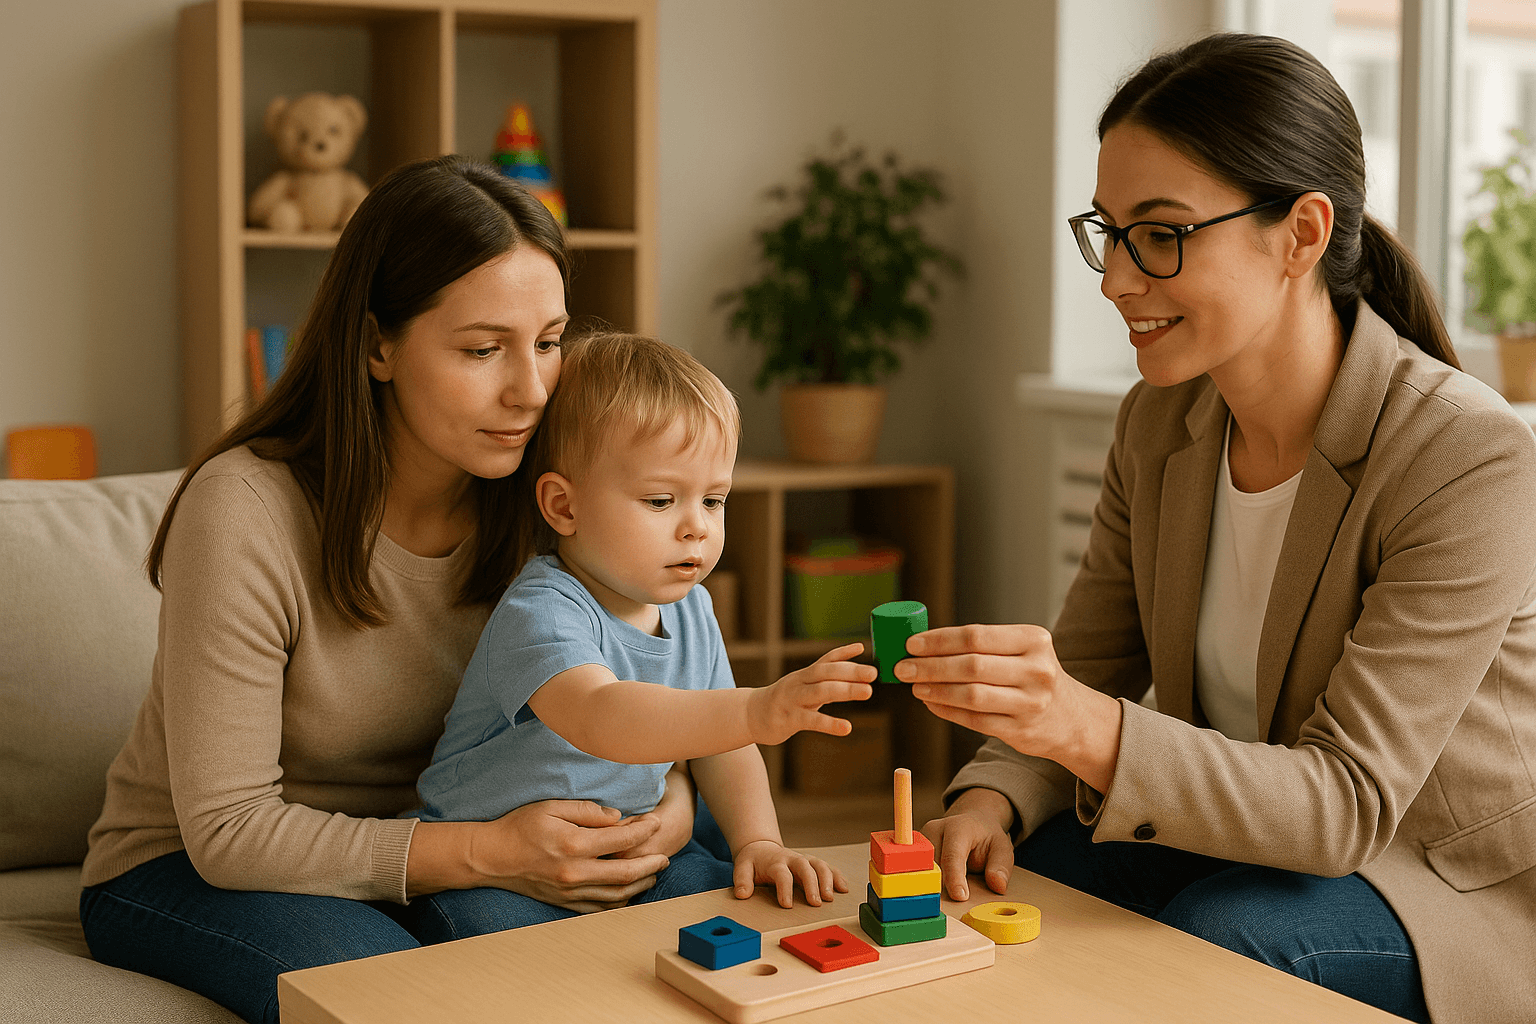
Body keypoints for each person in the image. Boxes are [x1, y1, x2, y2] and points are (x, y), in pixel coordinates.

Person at [912, 33, 1536, 1024]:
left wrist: (1080, 726)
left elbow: (1347, 804)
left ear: (1300, 233)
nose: (1117, 279)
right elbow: (1087, 665)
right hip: (1245, 831)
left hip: (1426, 881)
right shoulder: (1160, 423)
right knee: (1009, 870)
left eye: (1159, 234)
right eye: (1108, 231)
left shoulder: (1466, 453)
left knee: (1215, 943)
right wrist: (988, 795)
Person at [77, 156, 714, 1024]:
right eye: (483, 349)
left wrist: (665, 811)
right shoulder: (246, 511)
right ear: (378, 343)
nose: (530, 390)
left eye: (551, 341)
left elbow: (656, 692)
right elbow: (228, 832)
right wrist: (488, 853)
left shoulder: (550, 490)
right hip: (200, 865)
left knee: (726, 890)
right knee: (410, 1001)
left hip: (465, 831)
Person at [406, 332, 875, 932]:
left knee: (732, 912)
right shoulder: (541, 609)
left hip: (632, 854)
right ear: (564, 507)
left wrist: (758, 842)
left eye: (713, 500)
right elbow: (603, 716)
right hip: (497, 873)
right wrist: (757, 709)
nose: (696, 529)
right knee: (507, 966)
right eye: (661, 500)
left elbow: (723, 746)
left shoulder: (693, 609)